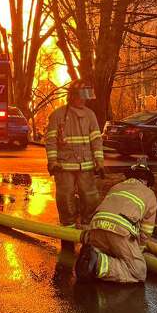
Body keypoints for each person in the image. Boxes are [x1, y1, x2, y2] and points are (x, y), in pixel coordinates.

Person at [45, 80, 105, 246]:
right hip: (64, 167)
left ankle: (87, 230)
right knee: (65, 198)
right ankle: (68, 231)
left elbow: (96, 140)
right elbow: (50, 141)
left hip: (86, 166)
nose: (84, 100)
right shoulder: (58, 115)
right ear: (72, 97)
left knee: (90, 197)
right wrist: (53, 161)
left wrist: (99, 161)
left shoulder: (90, 115)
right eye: (82, 97)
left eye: (86, 97)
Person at [74, 163, 157, 283]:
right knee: (139, 272)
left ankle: (91, 255)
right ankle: (98, 263)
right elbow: (146, 231)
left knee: (109, 249)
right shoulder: (150, 194)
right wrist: (138, 250)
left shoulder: (116, 186)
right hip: (120, 232)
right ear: (147, 181)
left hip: (96, 228)